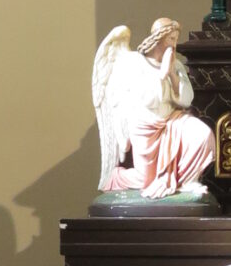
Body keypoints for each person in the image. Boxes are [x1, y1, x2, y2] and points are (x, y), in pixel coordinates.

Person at [92, 18, 216, 197]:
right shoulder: (133, 62)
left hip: (173, 122)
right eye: (171, 39)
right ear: (159, 38)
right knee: (146, 180)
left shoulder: (176, 65)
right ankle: (116, 178)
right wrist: (162, 73)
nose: (174, 45)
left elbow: (186, 100)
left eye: (175, 39)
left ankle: (188, 181)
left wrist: (172, 74)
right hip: (145, 125)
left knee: (202, 134)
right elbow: (148, 99)